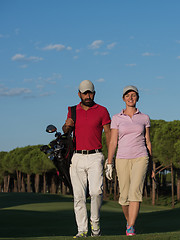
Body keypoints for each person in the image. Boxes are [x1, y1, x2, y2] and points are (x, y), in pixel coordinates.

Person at [62, 80, 111, 238]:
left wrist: (110, 159)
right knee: (79, 197)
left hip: (96, 155)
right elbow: (66, 130)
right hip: (77, 157)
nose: (88, 96)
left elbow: (109, 134)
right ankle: (82, 230)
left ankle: (95, 224)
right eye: (85, 93)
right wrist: (66, 126)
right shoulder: (72, 110)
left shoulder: (102, 110)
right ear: (79, 94)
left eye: (90, 92)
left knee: (97, 192)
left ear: (94, 93)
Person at [106, 85, 153, 236]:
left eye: (133, 95)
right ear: (123, 98)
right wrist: (109, 162)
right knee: (124, 197)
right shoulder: (116, 118)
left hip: (141, 157)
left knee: (135, 192)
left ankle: (131, 227)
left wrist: (151, 164)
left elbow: (148, 141)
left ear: (137, 98)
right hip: (122, 158)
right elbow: (113, 142)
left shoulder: (144, 117)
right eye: (128, 95)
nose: (131, 98)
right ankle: (129, 222)